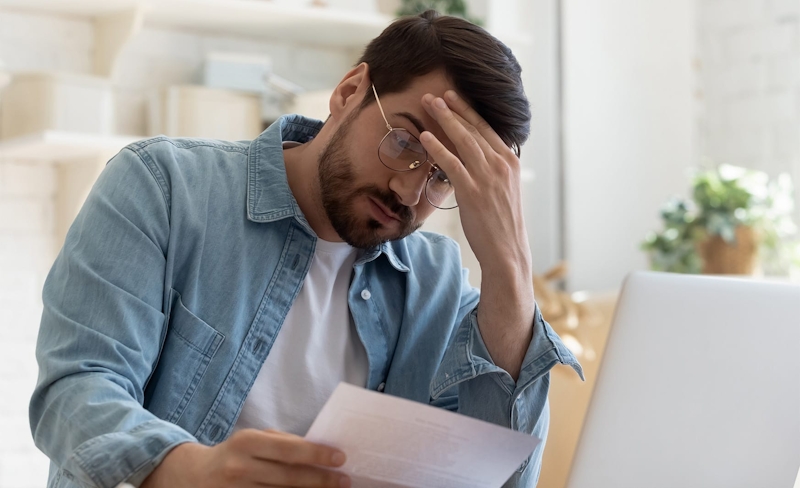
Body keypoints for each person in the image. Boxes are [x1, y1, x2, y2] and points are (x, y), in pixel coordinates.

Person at [30, 9, 582, 488]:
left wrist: (510, 271)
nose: (408, 191)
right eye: (405, 141)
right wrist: (186, 470)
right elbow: (77, 389)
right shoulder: (165, 188)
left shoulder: (434, 281)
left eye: (442, 177)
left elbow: (499, 481)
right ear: (348, 92)